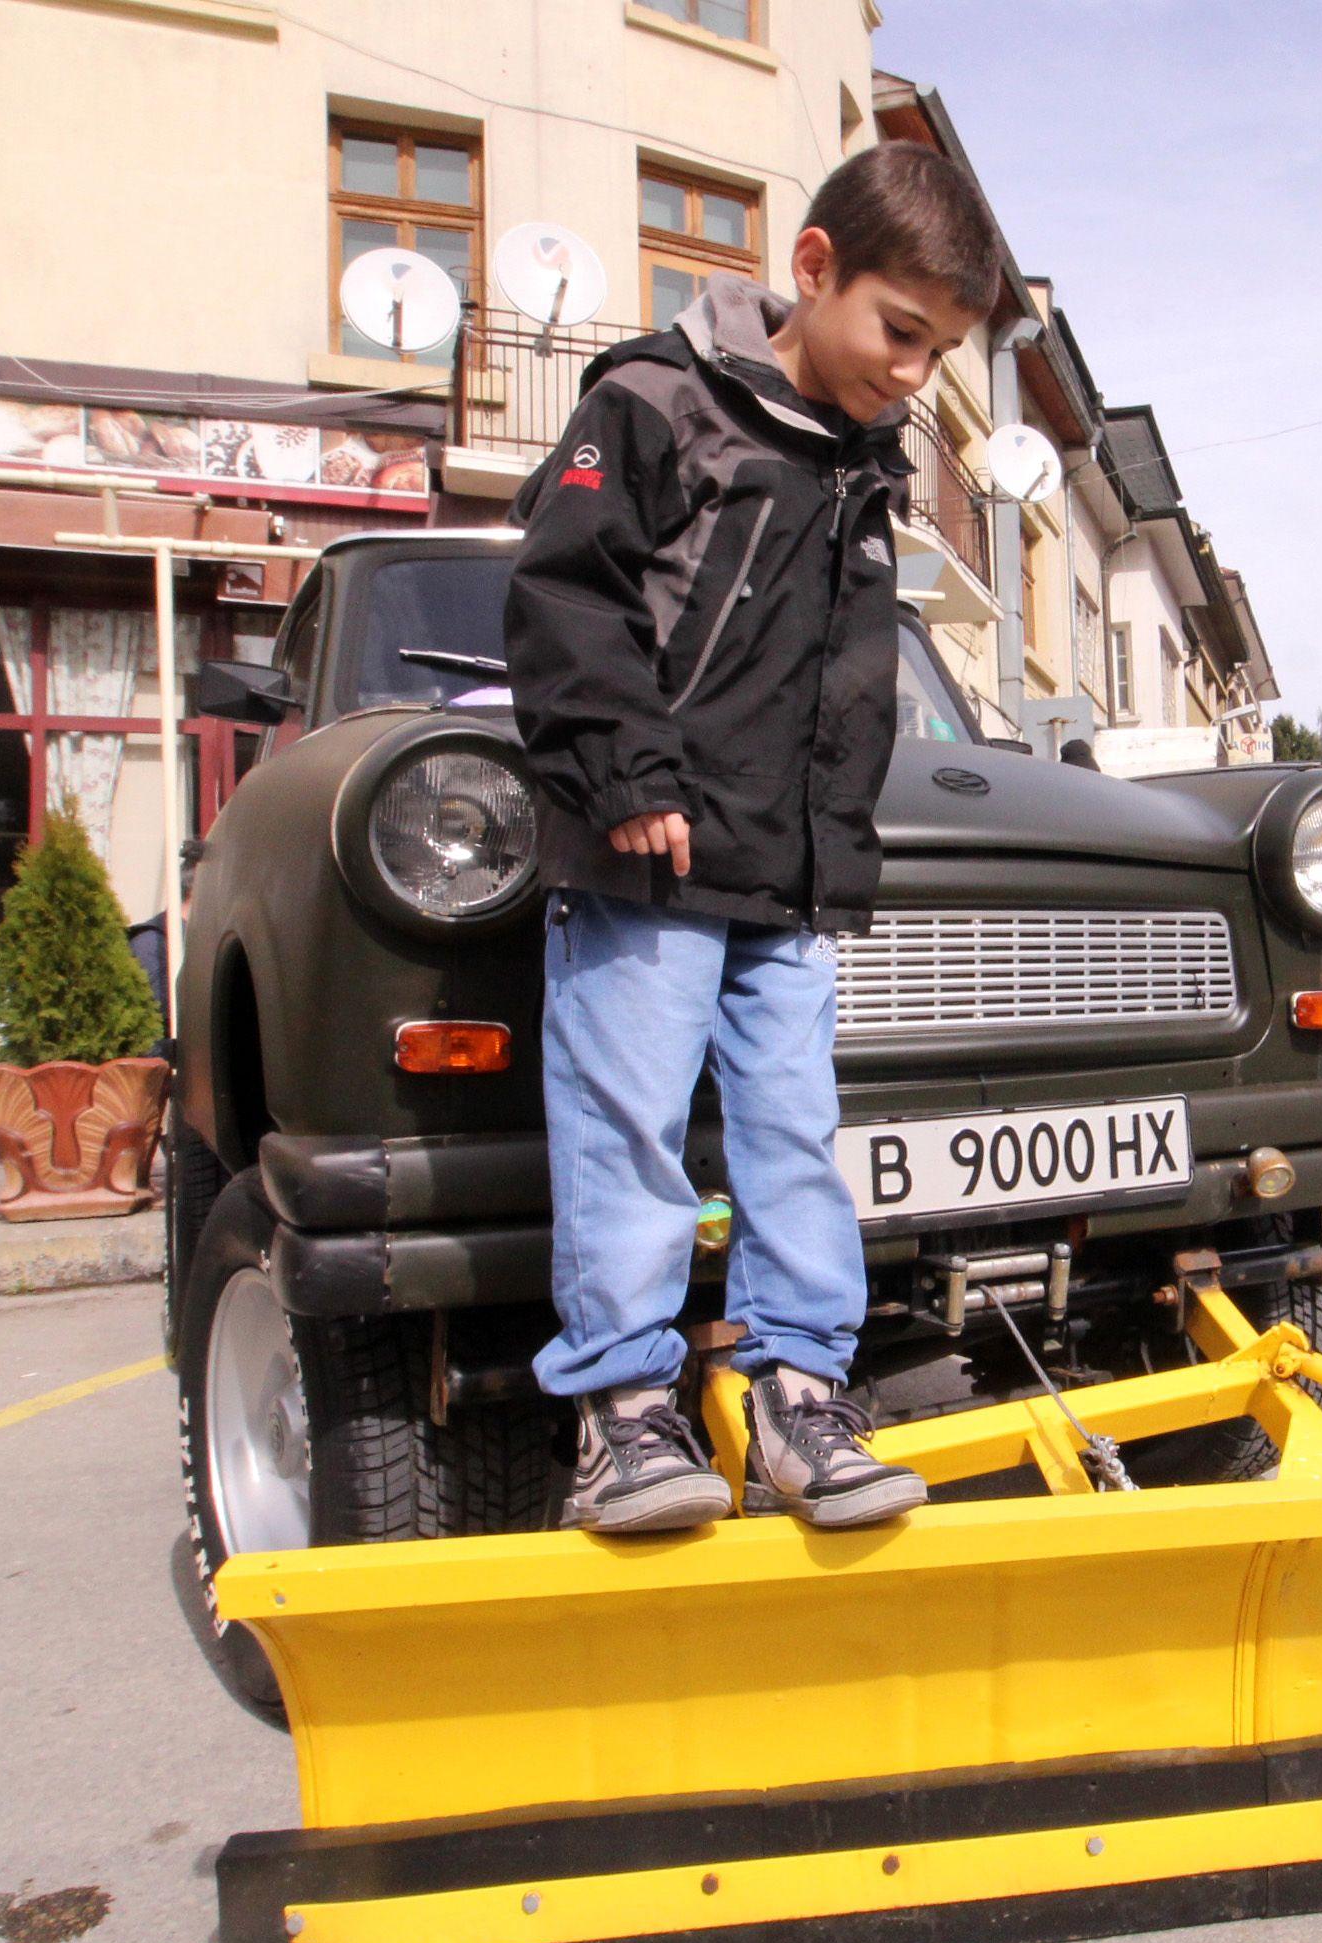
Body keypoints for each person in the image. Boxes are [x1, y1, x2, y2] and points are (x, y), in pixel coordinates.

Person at [505, 142, 999, 1533]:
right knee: (630, 1128)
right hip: (649, 856)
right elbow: (565, 599)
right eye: (900, 332)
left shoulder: (863, 462)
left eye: (938, 352)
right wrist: (625, 775)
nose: (912, 373)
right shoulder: (657, 403)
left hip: (786, 882)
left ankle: (799, 1402)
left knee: (793, 1133)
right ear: (813, 267)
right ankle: (622, 1418)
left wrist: (835, 844)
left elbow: (837, 683)